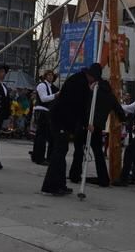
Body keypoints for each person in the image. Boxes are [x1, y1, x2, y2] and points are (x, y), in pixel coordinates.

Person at [41, 63, 99, 196]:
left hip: (61, 119)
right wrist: (86, 123)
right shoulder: (80, 84)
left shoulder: (78, 79)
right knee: (59, 153)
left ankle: (59, 184)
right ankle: (52, 185)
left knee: (61, 151)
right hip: (61, 120)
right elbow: (79, 107)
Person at [69, 73, 126, 187]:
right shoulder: (110, 96)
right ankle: (103, 179)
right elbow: (120, 111)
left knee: (79, 150)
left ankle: (75, 175)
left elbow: (82, 106)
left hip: (86, 125)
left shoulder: (92, 93)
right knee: (98, 152)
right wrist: (123, 120)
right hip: (98, 127)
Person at [31, 70, 59, 165]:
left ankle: (36, 156)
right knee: (42, 136)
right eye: (49, 75)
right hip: (42, 111)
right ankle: (39, 157)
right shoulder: (42, 85)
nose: (51, 77)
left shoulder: (51, 87)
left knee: (41, 136)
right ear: (45, 76)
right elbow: (43, 98)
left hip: (46, 111)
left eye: (52, 75)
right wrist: (55, 96)